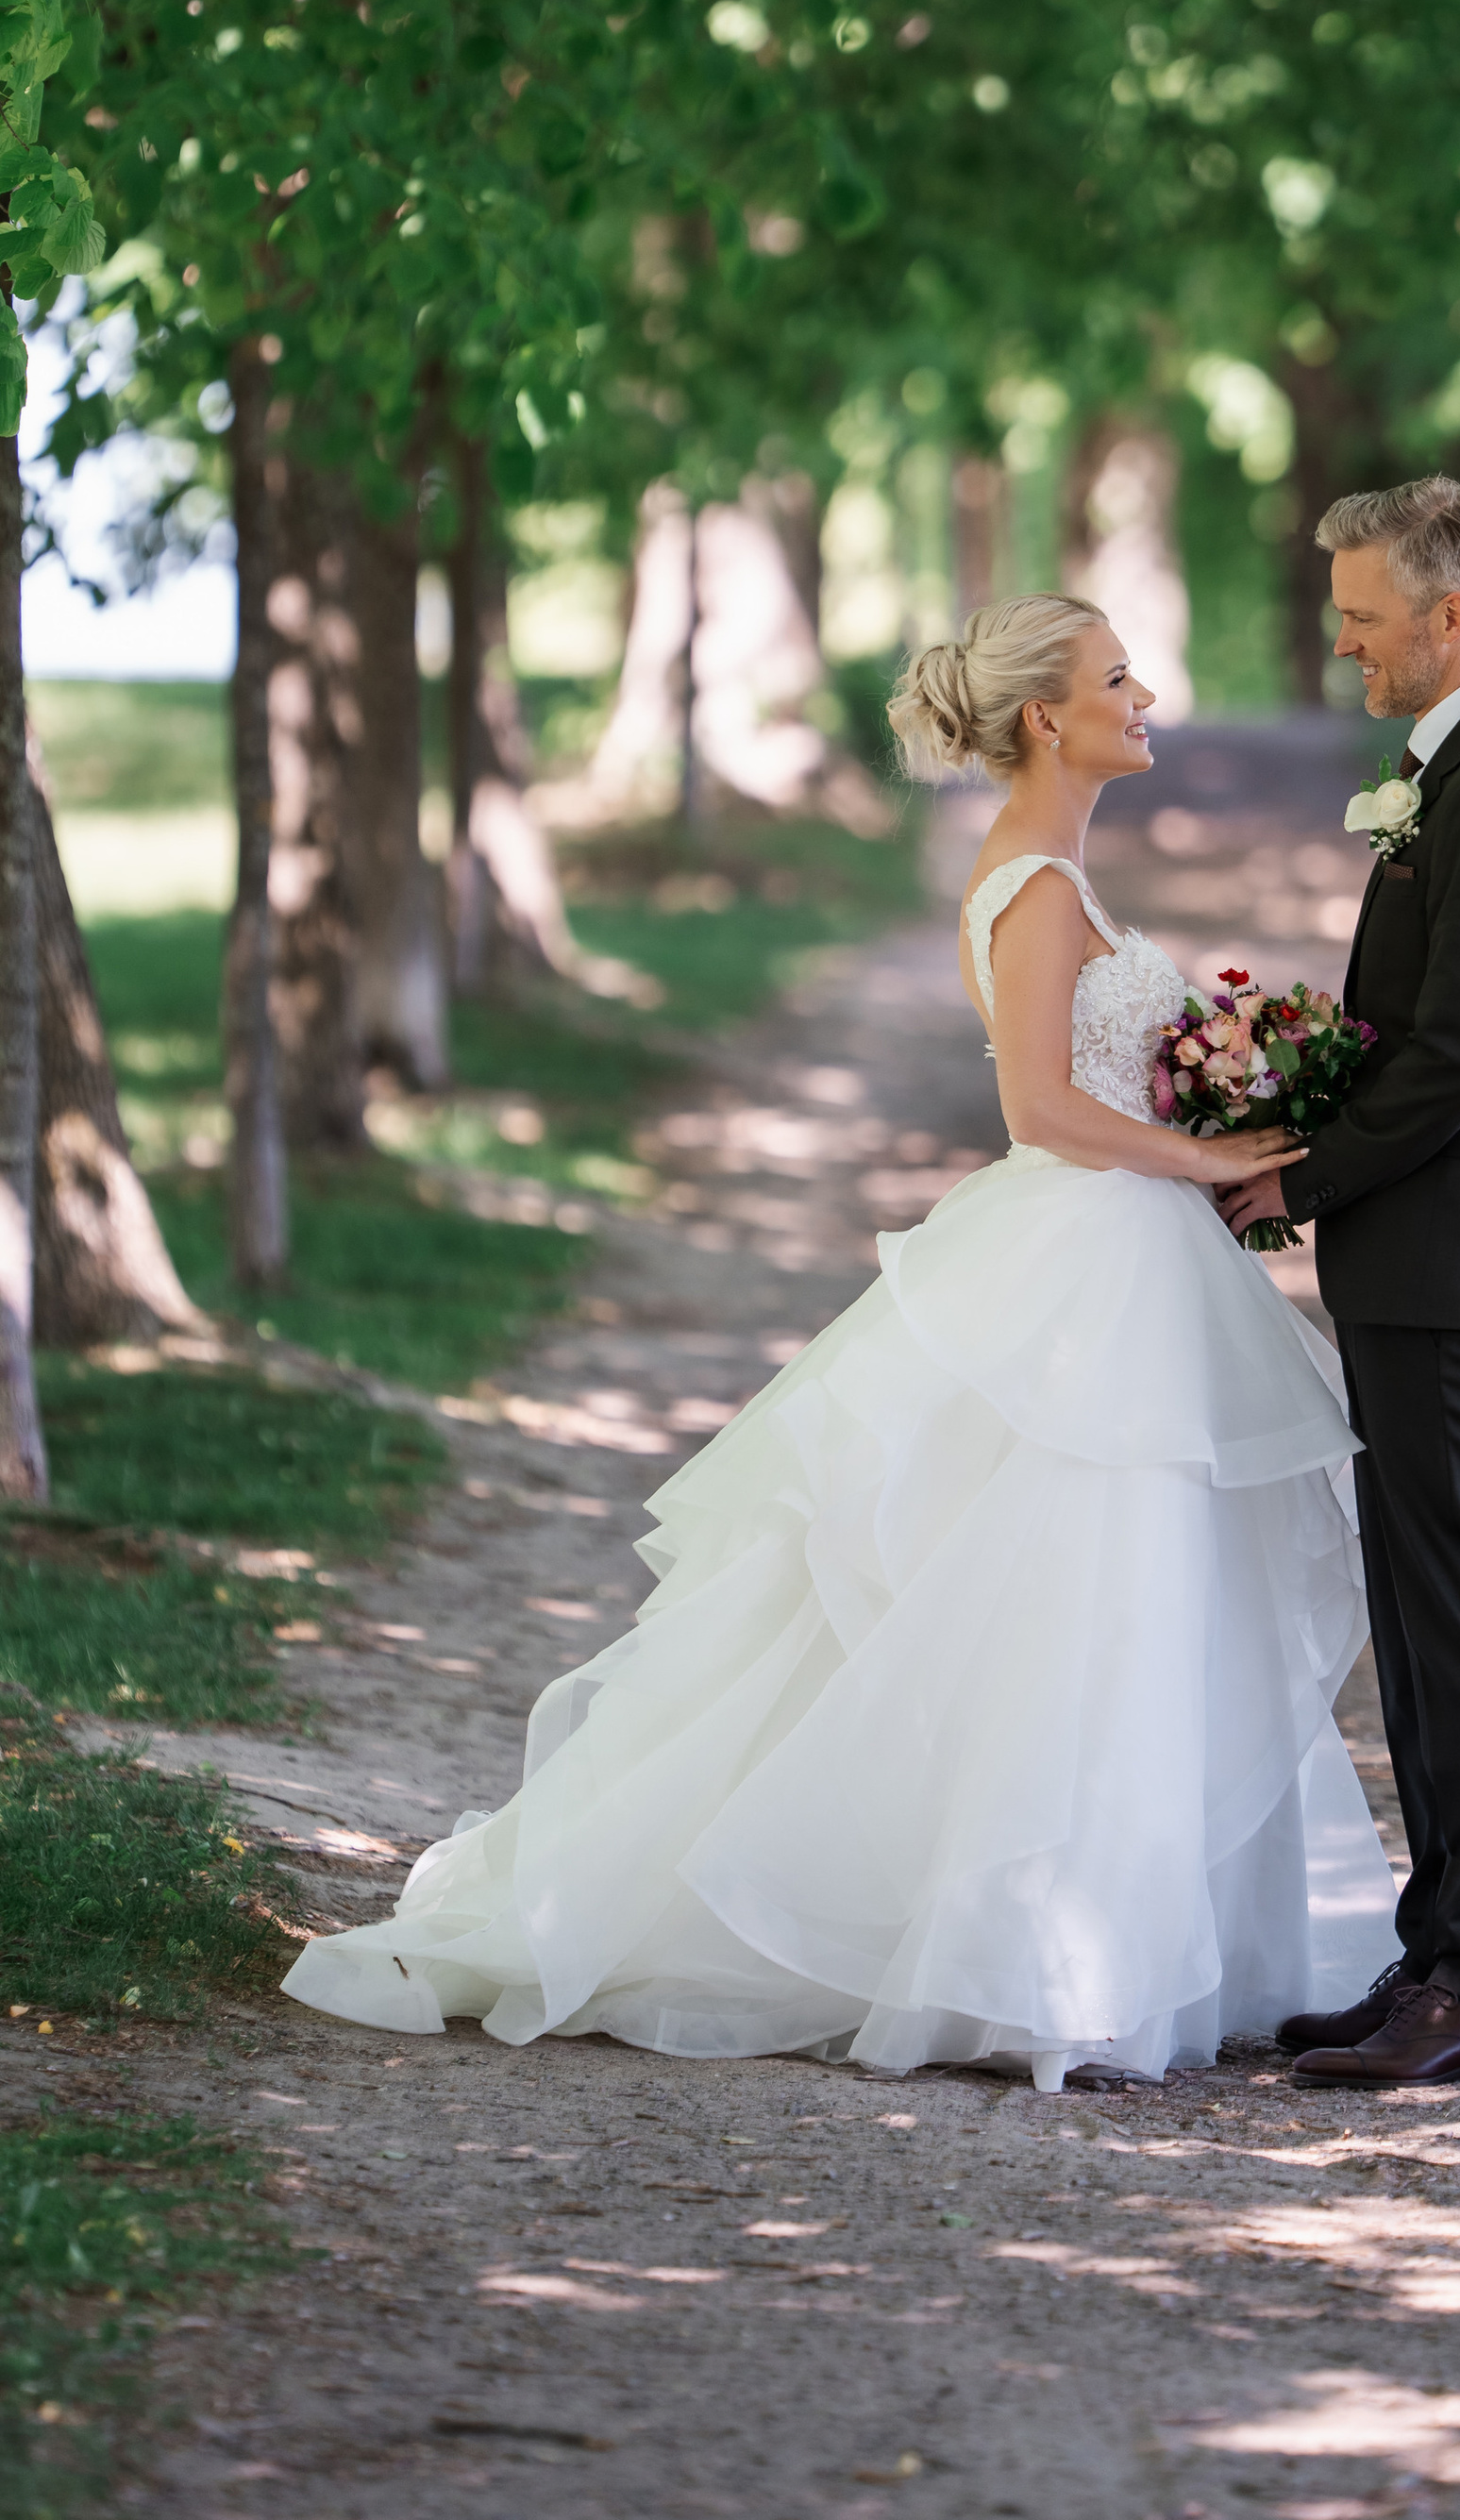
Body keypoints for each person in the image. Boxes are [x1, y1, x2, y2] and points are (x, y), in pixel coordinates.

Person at [281, 594, 1397, 2091]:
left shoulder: (1058, 872)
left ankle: (1097, 1938)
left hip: (1116, 1254)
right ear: (1047, 720)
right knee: (1068, 1588)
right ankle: (1018, 1954)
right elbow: (1041, 1115)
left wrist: (1213, 1113)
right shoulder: (1038, 882)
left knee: (1115, 1596)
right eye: (1117, 679)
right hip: (1082, 1252)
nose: (1146, 697)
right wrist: (1205, 1158)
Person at [1218, 478, 1460, 2089]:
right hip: (1413, 1259)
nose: (1344, 640)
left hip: (1452, 1262)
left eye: (1366, 617)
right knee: (1418, 1610)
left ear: (1453, 616)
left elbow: (1457, 1064)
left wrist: (1295, 1176)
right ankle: (1433, 1949)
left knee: (1459, 1606)